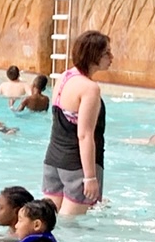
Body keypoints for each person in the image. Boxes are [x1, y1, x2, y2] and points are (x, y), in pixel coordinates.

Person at [43, 30, 112, 219]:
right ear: (93, 55)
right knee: (70, 229)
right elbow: (84, 135)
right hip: (76, 166)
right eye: (107, 53)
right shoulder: (90, 88)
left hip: (53, 161)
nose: (111, 57)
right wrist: (90, 177)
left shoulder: (65, 77)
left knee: (48, 221)